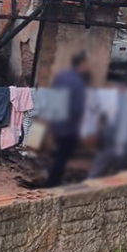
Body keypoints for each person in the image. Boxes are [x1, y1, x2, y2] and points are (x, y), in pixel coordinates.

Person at [44, 51, 89, 187]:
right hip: (69, 126)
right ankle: (52, 183)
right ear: (81, 65)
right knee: (62, 156)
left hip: (57, 123)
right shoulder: (78, 82)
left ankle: (50, 178)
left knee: (57, 153)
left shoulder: (61, 76)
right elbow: (78, 107)